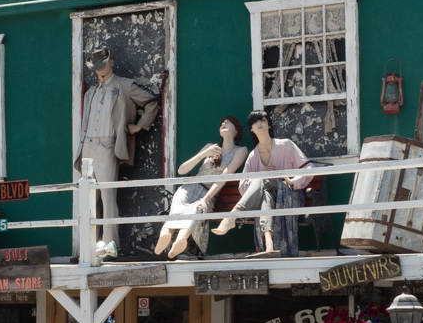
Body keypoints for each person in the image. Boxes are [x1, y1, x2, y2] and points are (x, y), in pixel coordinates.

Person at [76, 46, 161, 261]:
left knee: (107, 195)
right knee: (88, 197)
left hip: (107, 146)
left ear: (111, 62)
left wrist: (139, 126)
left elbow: (151, 102)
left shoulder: (124, 85)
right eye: (97, 66)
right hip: (87, 146)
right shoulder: (91, 92)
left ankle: (109, 244)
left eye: (104, 64)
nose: (101, 69)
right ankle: (90, 244)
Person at [217, 110, 314, 255]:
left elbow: (309, 168)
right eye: (255, 122)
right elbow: (243, 186)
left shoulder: (286, 145)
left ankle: (233, 215)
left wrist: (292, 180)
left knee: (263, 179)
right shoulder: (253, 156)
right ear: (251, 129)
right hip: (268, 196)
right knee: (266, 194)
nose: (259, 123)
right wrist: (261, 175)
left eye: (263, 120)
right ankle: (269, 244)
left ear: (269, 125)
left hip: (289, 194)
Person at [154, 116, 249, 259]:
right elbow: (182, 170)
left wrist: (206, 199)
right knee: (178, 204)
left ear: (237, 131)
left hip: (207, 192)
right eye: (222, 123)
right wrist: (204, 153)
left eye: (228, 122)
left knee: (197, 208)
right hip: (190, 186)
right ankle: (165, 234)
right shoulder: (210, 146)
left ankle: (181, 240)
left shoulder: (241, 150)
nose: (223, 123)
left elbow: (224, 177)